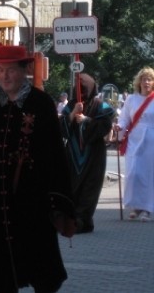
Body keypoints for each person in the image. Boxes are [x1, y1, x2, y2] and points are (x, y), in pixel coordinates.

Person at [0, 43, 76, 293]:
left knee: (40, 265)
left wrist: (58, 202)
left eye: (10, 70)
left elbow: (54, 155)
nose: (4, 76)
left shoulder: (41, 104)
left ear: (24, 71)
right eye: (1, 71)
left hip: (30, 203)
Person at [60, 74, 114, 233]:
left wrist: (85, 121)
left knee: (90, 188)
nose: (82, 93)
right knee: (71, 186)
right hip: (73, 153)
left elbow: (104, 127)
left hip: (93, 154)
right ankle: (71, 218)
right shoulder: (70, 105)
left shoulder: (100, 106)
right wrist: (71, 115)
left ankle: (82, 220)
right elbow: (62, 129)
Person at [115, 67, 154, 222]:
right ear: (139, 82)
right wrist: (120, 127)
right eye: (144, 79)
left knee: (148, 175)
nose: (147, 82)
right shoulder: (131, 99)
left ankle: (147, 209)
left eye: (150, 79)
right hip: (134, 139)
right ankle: (136, 206)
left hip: (151, 140)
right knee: (133, 173)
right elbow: (124, 118)